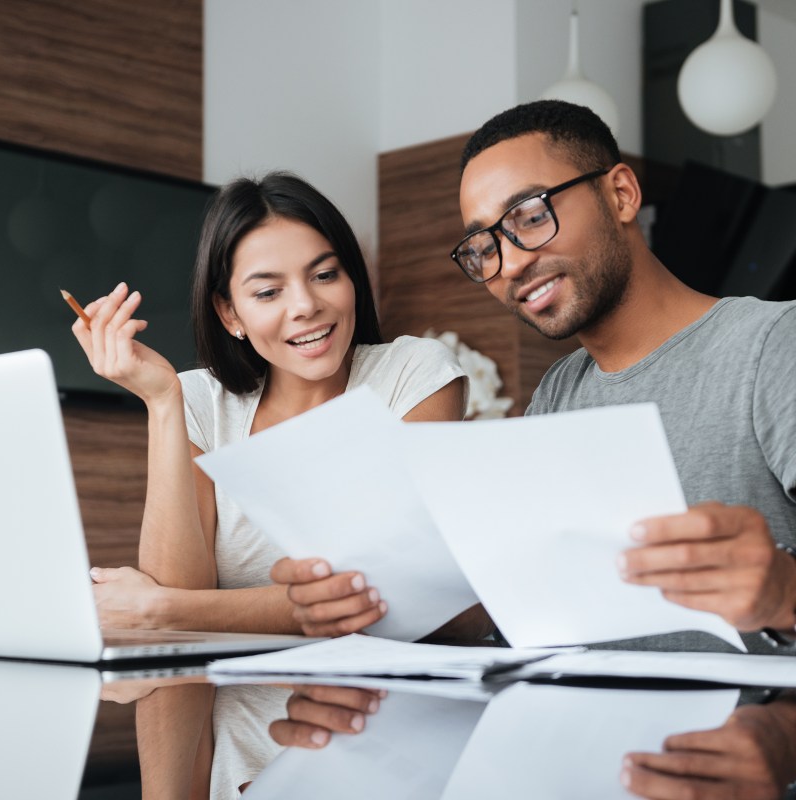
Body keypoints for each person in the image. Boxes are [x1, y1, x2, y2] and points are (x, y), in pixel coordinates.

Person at [272, 99, 796, 745]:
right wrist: (361, 605)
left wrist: (784, 596)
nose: (510, 263)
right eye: (482, 246)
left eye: (528, 216)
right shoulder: (558, 395)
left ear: (622, 194)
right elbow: (514, 614)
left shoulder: (774, 346)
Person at [70, 171, 471, 792]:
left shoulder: (413, 376)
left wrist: (162, 610)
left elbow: (385, 596)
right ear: (230, 314)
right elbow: (185, 615)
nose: (305, 305)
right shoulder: (200, 400)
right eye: (268, 291)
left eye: (324, 274)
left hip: (382, 747)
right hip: (231, 756)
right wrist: (161, 403)